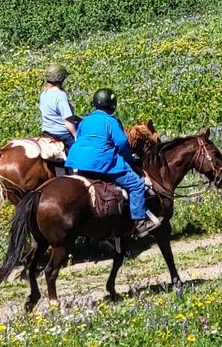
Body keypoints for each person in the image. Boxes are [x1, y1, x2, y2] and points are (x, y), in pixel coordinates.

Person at [63, 89, 161, 240]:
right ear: (112, 104)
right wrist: (130, 159)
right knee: (136, 185)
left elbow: (80, 137)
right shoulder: (111, 121)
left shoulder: (85, 120)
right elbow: (122, 144)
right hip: (101, 162)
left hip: (77, 162)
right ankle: (140, 222)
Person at [38, 63, 77, 151]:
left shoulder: (44, 93)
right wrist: (75, 135)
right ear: (61, 78)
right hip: (61, 133)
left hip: (47, 131)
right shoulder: (61, 95)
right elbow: (68, 120)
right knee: (79, 152)